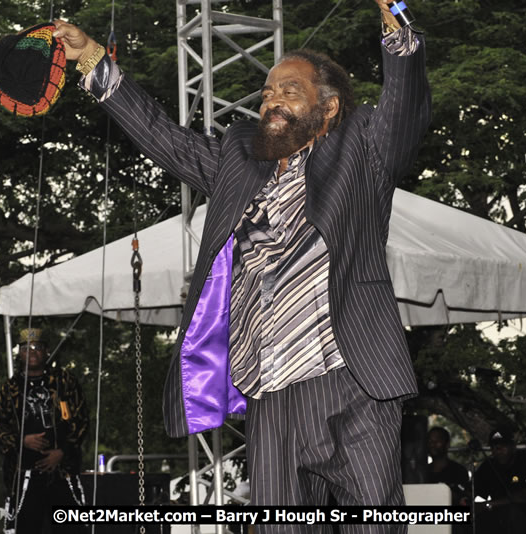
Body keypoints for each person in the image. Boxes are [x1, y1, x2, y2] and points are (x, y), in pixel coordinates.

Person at [50, 1, 430, 527]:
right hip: (270, 390)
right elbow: (164, 136)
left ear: (331, 107)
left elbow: (404, 106)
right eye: (268, 92)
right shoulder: (239, 159)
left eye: (289, 92)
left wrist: (397, 29)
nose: (271, 101)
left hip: (352, 379)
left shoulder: (362, 150)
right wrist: (92, 58)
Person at [0, 328, 88, 534]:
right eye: (26, 348)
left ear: (47, 351)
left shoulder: (64, 381)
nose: (32, 352)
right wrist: (21, 441)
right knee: (25, 528)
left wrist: (62, 452)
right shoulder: (11, 388)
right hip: (24, 475)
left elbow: (82, 419)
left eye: (37, 347)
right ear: (19, 353)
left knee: (72, 528)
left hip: (63, 472)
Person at [473, 428, 526, 534]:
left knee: (513, 513)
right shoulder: (488, 466)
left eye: (503, 445)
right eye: (494, 446)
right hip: (500, 514)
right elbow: (474, 490)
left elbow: (524, 496)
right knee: (467, 517)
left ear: (513, 446)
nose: (498, 449)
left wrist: (488, 504)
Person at [425, 427, 470, 506]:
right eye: (430, 441)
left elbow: (464, 499)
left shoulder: (458, 471)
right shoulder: (423, 471)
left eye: (437, 441)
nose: (432, 444)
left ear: (447, 444)